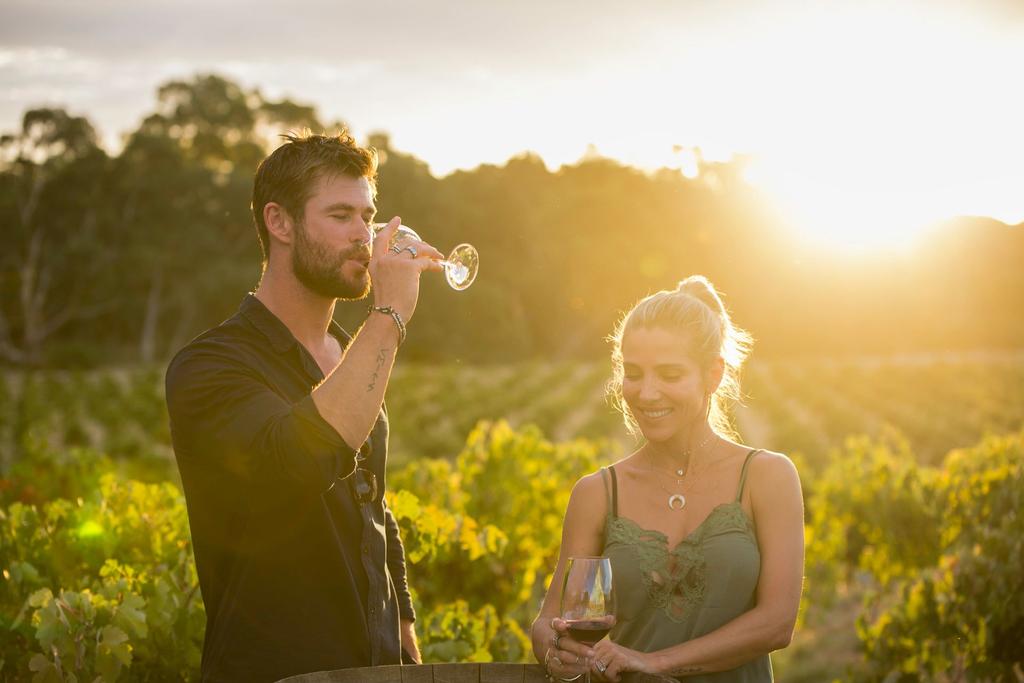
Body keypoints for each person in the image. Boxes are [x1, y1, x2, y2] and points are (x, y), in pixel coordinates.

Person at [165, 130, 444, 682]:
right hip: (274, 670)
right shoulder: (210, 366)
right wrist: (388, 315)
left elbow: (370, 500)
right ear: (280, 222)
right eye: (341, 216)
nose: (364, 237)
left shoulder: (347, 349)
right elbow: (298, 462)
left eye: (368, 216)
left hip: (375, 667)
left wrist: (403, 624)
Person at [531, 276, 804, 682]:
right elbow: (548, 621)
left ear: (712, 375)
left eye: (670, 374)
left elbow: (776, 623)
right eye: (634, 373)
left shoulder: (767, 477)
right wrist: (554, 651)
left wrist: (656, 662)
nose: (647, 392)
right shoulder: (598, 493)